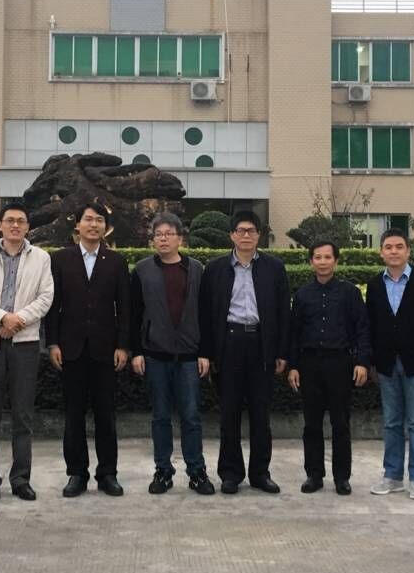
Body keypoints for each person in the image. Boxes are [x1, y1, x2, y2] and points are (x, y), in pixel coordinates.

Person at [0, 202, 54, 503]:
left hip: (25, 343)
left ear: (28, 226)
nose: (15, 225)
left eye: (21, 221)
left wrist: (18, 321)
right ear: (1, 225)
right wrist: (3, 318)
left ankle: (21, 479)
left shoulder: (41, 258)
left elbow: (46, 297)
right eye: (10, 220)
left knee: (23, 415)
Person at [198, 210, 290, 494]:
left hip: (261, 344)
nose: (246, 235)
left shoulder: (274, 268)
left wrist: (281, 352)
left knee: (261, 415)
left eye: (251, 230)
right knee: (229, 413)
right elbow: (205, 313)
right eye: (241, 230)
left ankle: (260, 473)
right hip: (229, 344)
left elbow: (283, 313)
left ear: (259, 235)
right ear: (232, 235)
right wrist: (207, 353)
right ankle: (230, 473)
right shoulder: (215, 268)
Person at [45, 200, 131, 498]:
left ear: (106, 227)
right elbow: (53, 306)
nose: (94, 225)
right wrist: (52, 342)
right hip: (71, 349)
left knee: (106, 415)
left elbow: (125, 308)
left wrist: (123, 346)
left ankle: (108, 474)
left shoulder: (116, 261)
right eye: (89, 219)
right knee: (74, 415)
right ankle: (77, 474)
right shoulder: (60, 259)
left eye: (99, 220)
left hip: (106, 350)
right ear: (78, 224)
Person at [129, 212, 215, 496]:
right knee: (160, 417)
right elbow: (134, 314)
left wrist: (205, 352)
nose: (163, 239)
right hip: (155, 356)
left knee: (191, 417)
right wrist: (137, 351)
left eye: (169, 234)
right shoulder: (142, 270)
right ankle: (163, 471)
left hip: (189, 357)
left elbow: (205, 313)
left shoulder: (196, 269)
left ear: (180, 238)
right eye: (158, 234)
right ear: (152, 240)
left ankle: (197, 472)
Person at [286, 240, 371, 495]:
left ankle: (342, 477)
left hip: (340, 364)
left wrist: (362, 362)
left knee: (340, 423)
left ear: (336, 260)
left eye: (327, 257)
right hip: (309, 364)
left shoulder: (349, 293)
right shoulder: (302, 295)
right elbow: (294, 334)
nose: (322, 262)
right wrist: (293, 366)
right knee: (311, 423)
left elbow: (362, 329)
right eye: (318, 257)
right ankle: (314, 475)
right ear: (311, 261)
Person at [365, 229, 414, 501]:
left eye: (399, 246)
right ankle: (393, 475)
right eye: (388, 247)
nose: (394, 251)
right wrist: (371, 362)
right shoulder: (375, 285)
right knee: (391, 422)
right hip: (386, 364)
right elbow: (371, 326)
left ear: (408, 251)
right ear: (381, 252)